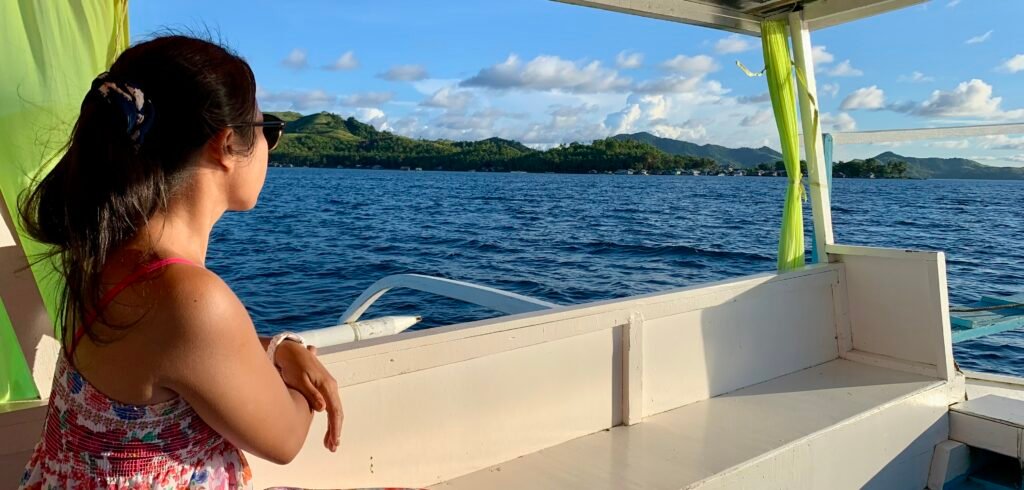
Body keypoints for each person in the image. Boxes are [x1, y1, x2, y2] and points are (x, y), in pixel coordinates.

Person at [17, 35, 342, 489]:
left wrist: (275, 347)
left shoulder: (104, 257)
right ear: (226, 145)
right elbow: (285, 439)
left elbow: (177, 352)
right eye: (266, 129)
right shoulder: (188, 299)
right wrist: (304, 365)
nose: (269, 144)